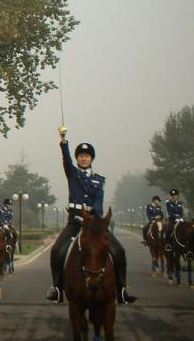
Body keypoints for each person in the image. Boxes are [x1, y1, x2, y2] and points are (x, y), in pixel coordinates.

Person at [45, 126, 137, 304]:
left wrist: (94, 212)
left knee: (119, 251)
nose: (84, 158)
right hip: (75, 222)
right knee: (57, 250)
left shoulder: (99, 179)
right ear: (78, 158)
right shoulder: (73, 174)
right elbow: (66, 160)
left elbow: (98, 200)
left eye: (87, 156)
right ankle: (56, 287)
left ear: (91, 159)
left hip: (94, 223)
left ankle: (122, 288)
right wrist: (64, 143)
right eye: (80, 156)